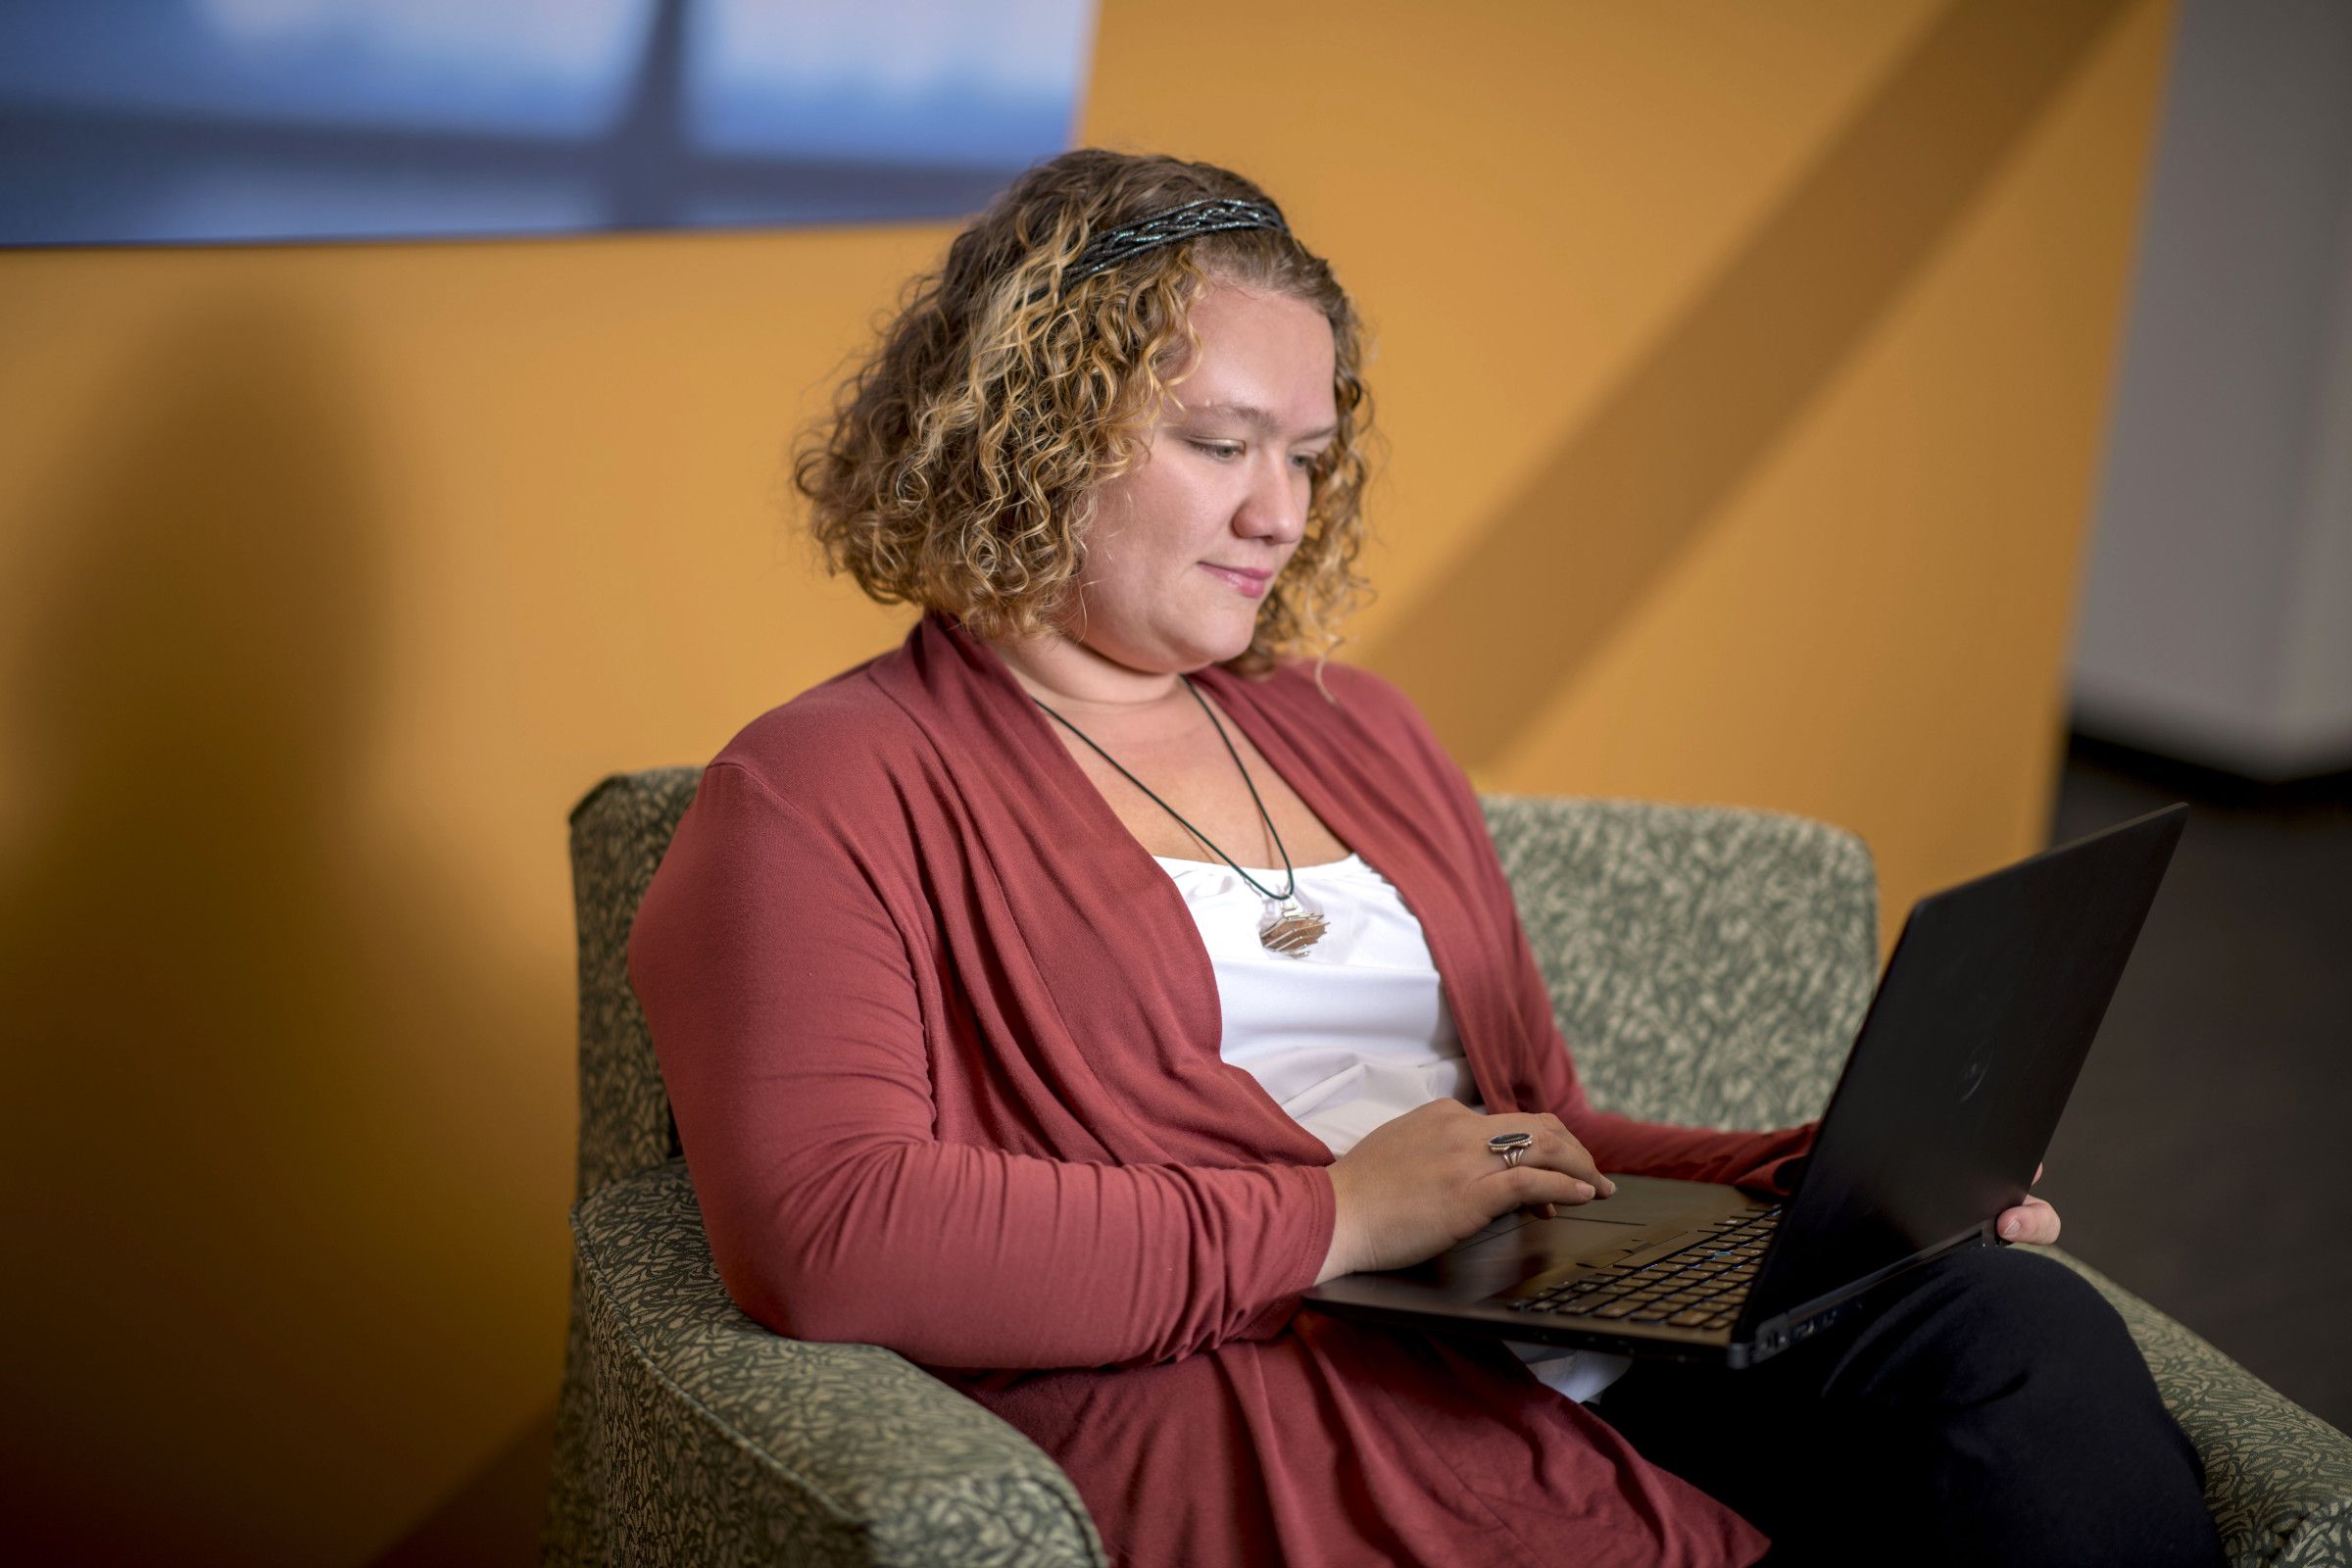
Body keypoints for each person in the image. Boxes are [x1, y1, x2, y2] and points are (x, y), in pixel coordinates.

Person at [626, 148, 2221, 1567]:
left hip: (1547, 1316)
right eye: (1220, 441)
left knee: (2014, 1336)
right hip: (1287, 1364)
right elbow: (830, 1236)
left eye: (1307, 454)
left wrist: (1800, 1178)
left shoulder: (1353, 729)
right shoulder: (821, 788)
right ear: (1026, 432)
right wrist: (1332, 1222)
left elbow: (1536, 1130)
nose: (1280, 514)